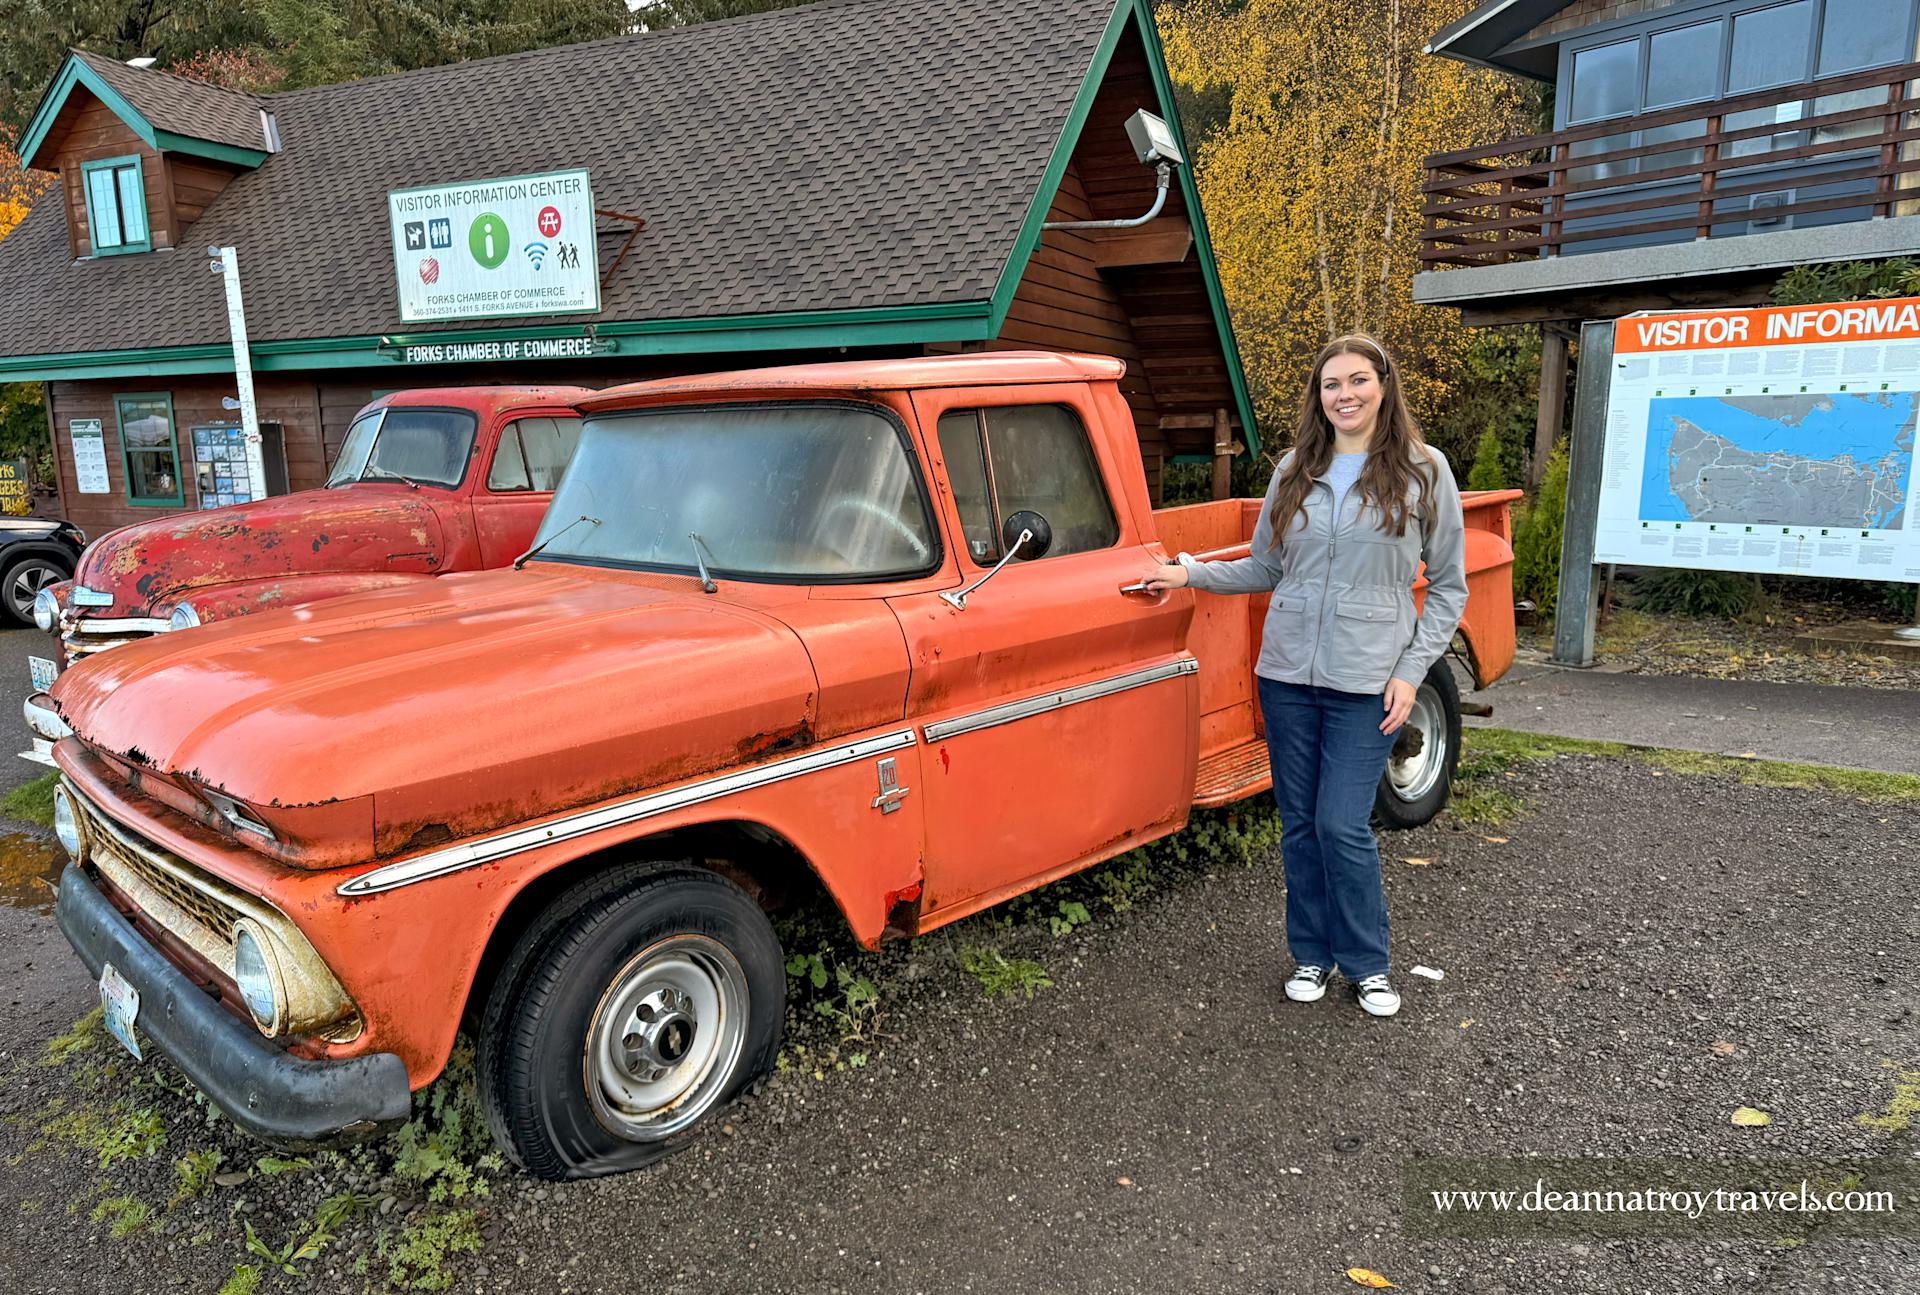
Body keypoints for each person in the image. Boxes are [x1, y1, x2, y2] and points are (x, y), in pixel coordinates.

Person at [1142, 333, 1467, 1017]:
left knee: (1341, 823)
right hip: (1288, 676)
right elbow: (1266, 565)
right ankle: (1312, 955)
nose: (1345, 395)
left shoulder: (1423, 470)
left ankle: (1368, 964)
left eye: (1357, 380)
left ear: (1384, 385)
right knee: (1298, 824)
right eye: (1331, 384)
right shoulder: (1295, 468)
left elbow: (1447, 588)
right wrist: (1189, 573)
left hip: (1368, 682)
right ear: (1318, 397)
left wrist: (1412, 672)